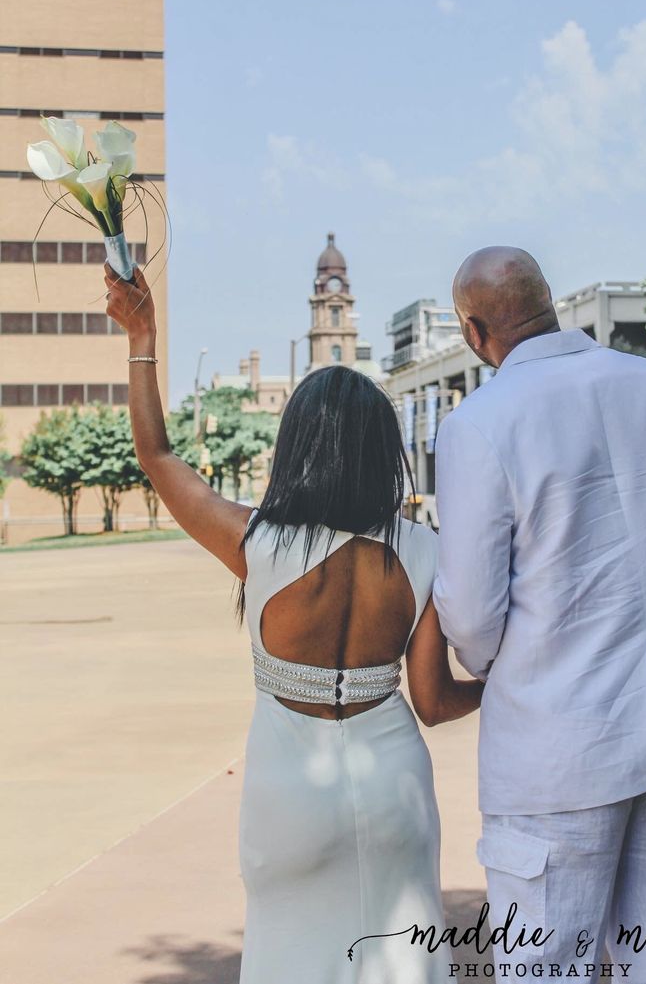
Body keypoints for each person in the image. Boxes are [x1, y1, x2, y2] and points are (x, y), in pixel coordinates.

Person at [103, 261, 484, 984]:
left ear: (297, 446)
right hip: (394, 785)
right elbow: (434, 702)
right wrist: (498, 686)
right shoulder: (425, 551)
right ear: (382, 450)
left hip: (289, 796)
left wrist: (142, 336)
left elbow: (155, 455)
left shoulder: (259, 544)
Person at [433, 246, 646, 983]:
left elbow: (469, 617)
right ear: (550, 301)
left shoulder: (481, 421)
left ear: (475, 332)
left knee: (546, 968)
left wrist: (513, 670)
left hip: (557, 750)